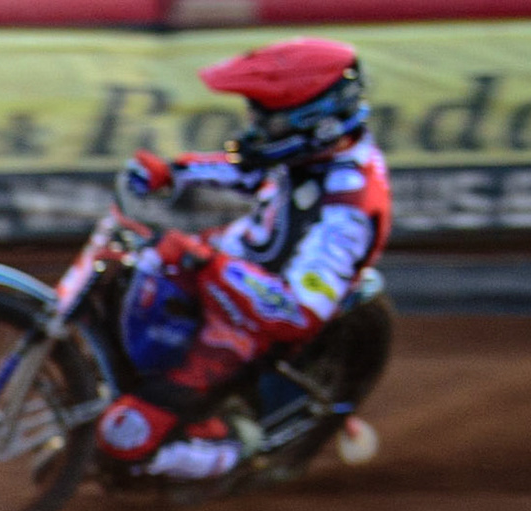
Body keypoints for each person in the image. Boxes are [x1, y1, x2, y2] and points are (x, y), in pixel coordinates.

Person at [97, 36, 391, 481]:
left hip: (260, 314)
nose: (255, 126)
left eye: (267, 118)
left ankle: (226, 450)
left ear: (315, 120)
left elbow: (297, 311)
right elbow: (247, 168)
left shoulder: (347, 206)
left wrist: (208, 264)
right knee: (129, 278)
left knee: (126, 439)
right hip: (241, 268)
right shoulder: (311, 151)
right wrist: (171, 173)